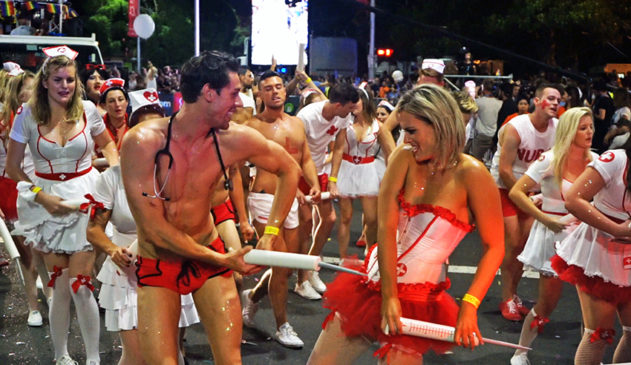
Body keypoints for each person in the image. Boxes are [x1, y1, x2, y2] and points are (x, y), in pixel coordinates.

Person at [120, 50, 301, 365]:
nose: (241, 102)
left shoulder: (233, 139)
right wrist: (223, 258)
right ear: (208, 92)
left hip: (208, 253)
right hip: (161, 260)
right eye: (233, 94)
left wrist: (270, 233)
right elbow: (154, 229)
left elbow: (290, 170)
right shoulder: (142, 141)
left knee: (231, 360)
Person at [307, 84, 504, 364]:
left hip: (420, 299)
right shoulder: (403, 159)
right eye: (402, 131)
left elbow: (495, 246)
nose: (405, 140)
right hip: (372, 284)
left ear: (440, 124)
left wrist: (470, 305)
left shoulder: (473, 174)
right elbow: (386, 228)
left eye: (411, 131)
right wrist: (389, 295)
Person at [6, 46, 119, 365]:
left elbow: (108, 144)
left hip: (85, 195)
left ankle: (94, 358)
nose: (65, 86)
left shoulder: (88, 109)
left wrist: (114, 169)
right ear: (45, 81)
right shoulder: (26, 114)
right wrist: (41, 195)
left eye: (70, 79)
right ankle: (61, 355)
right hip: (45, 199)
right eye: (58, 79)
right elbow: (13, 168)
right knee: (60, 282)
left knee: (82, 283)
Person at [87, 93, 198, 365]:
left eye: (160, 130)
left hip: (169, 265)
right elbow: (94, 230)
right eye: (145, 130)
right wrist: (112, 250)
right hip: (127, 270)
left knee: (171, 353)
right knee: (135, 356)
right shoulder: (111, 178)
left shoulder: (180, 174)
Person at [508, 107, 596, 365]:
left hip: (585, 237)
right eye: (583, 128)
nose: (589, 132)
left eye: (591, 126)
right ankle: (521, 352)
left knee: (590, 309)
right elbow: (516, 192)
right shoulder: (549, 159)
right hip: (554, 237)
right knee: (547, 304)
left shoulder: (597, 161)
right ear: (570, 131)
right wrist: (545, 218)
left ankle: (589, 357)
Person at [241, 70, 321, 348]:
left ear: (286, 92)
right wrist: (241, 217)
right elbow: (237, 170)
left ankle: (252, 299)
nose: (275, 91)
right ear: (260, 93)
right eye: (268, 88)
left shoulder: (297, 123)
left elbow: (306, 158)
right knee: (283, 262)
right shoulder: (252, 126)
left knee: (285, 267)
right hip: (264, 199)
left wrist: (313, 184)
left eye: (279, 87)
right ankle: (282, 325)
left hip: (292, 203)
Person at [551, 140, 631, 365]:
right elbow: (574, 199)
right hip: (599, 253)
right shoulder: (615, 160)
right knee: (599, 334)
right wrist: (616, 229)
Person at [489, 83, 560, 321]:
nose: (555, 103)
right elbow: (505, 170)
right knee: (514, 243)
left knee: (524, 247)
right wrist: (524, 196)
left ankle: (514, 294)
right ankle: (506, 297)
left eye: (558, 99)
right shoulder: (516, 127)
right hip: (505, 188)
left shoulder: (558, 128)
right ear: (537, 101)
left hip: (532, 191)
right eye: (550, 98)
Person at [294, 83, 360, 300]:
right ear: (339, 104)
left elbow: (339, 147)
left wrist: (332, 180)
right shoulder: (306, 116)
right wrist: (296, 183)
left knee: (329, 219)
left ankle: (310, 266)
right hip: (301, 171)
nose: (351, 113)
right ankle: (300, 280)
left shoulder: (342, 117)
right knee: (305, 225)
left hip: (320, 170)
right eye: (349, 109)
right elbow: (296, 151)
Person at [1, 67, 53, 327]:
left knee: (46, 249)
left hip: (46, 188)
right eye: (27, 91)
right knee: (27, 253)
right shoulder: (4, 120)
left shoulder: (51, 116)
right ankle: (34, 305)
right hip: (15, 190)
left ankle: (52, 295)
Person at [329, 87, 394, 257]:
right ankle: (343, 257)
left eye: (356, 100)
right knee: (346, 217)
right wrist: (332, 179)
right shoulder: (345, 123)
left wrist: (393, 179)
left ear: (365, 101)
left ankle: (369, 252)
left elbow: (392, 153)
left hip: (368, 169)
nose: (352, 104)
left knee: (372, 218)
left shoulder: (378, 126)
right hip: (346, 167)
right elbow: (337, 150)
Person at [99, 78, 129, 151]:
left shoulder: (134, 124)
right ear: (104, 106)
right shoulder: (97, 128)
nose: (117, 104)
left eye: (121, 99)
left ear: (127, 102)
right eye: (111, 101)